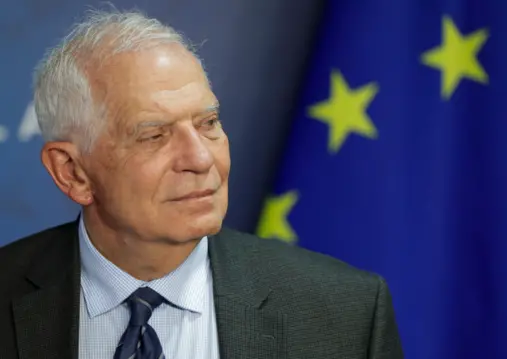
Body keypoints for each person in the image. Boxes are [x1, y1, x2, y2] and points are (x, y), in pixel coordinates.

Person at [0, 8, 403, 359]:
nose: (200, 158)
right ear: (72, 171)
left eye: (207, 124)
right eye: (153, 135)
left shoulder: (346, 313)